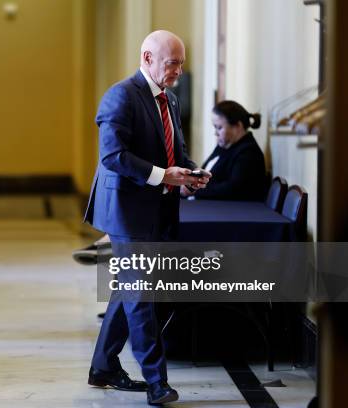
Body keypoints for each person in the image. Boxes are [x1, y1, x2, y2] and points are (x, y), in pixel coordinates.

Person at [83, 30, 210, 405]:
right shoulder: (121, 95)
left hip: (161, 209)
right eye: (172, 64)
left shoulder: (168, 99)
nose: (178, 72)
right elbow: (112, 156)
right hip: (127, 212)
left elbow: (177, 153)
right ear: (148, 57)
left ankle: (103, 367)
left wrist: (190, 174)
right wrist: (161, 175)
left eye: (182, 64)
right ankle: (157, 383)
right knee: (142, 295)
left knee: (129, 291)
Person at [181, 100, 268, 201]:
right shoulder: (225, 145)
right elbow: (205, 171)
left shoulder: (249, 153)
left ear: (237, 126)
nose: (216, 133)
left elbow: (232, 189)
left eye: (219, 128)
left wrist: (195, 190)